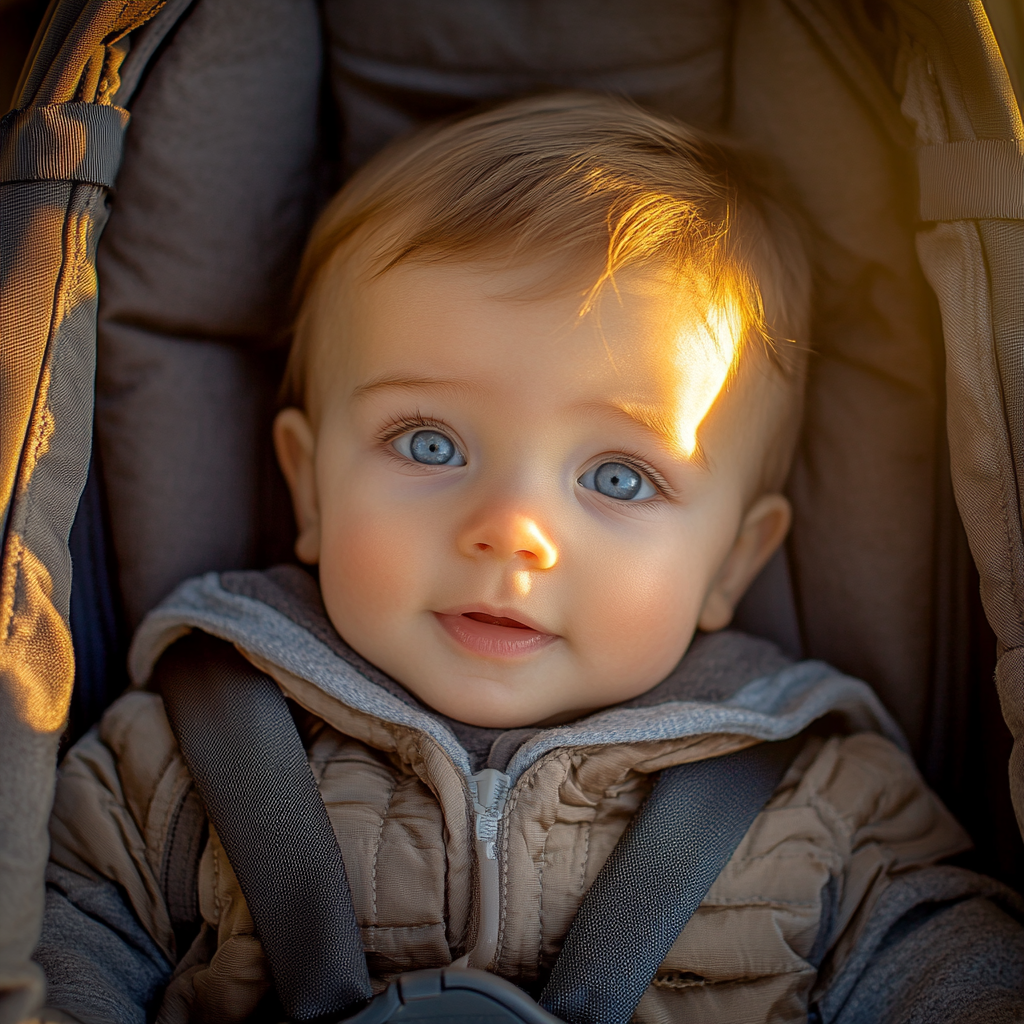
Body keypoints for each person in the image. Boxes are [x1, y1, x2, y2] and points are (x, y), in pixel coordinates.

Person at [34, 93, 1024, 1024]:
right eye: (429, 442)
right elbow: (50, 952)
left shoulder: (833, 808)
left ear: (732, 560)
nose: (511, 528)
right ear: (310, 488)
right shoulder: (175, 759)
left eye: (620, 477)